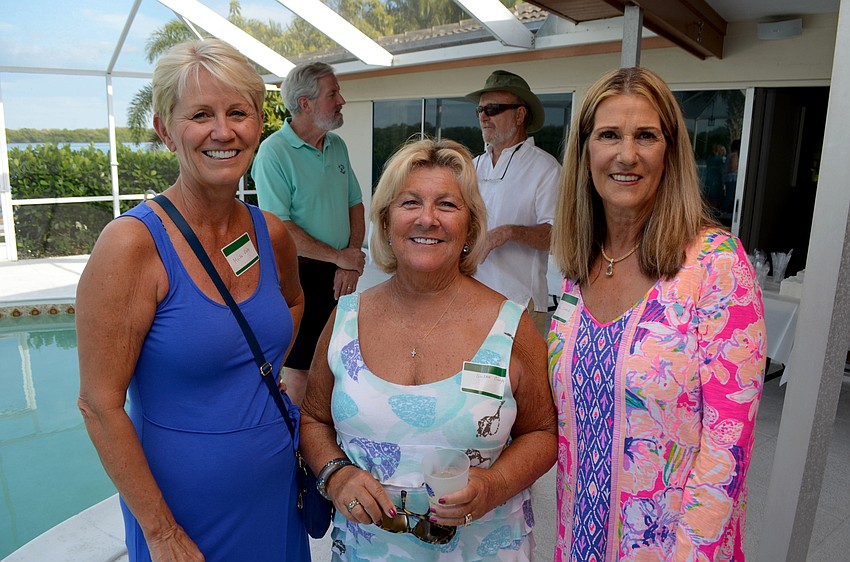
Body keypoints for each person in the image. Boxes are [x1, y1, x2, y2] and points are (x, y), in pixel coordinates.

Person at [76, 39, 309, 562]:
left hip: (274, 497)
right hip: (183, 516)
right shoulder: (132, 246)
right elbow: (98, 404)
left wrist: (252, 369)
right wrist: (160, 532)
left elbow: (292, 304)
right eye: (200, 114)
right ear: (164, 129)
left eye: (238, 113)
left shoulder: (269, 234)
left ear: (258, 124)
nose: (223, 131)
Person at [300, 138, 558, 560]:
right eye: (410, 203)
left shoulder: (510, 324)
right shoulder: (346, 317)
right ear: (385, 223)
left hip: (484, 548)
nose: (427, 219)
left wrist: (493, 485)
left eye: (447, 205)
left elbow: (542, 433)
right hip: (367, 550)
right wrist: (335, 473)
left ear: (471, 227)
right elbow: (312, 417)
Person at [549, 67, 766, 561]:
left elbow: (726, 449)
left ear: (669, 151)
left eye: (645, 135)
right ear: (585, 151)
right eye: (608, 135)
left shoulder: (716, 264)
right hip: (577, 541)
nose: (626, 155)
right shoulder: (577, 269)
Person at [253, 61, 366, 405]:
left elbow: (356, 205)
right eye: (333, 93)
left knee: (337, 360)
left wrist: (349, 260)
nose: (341, 100)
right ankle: (300, 449)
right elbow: (280, 228)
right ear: (305, 103)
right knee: (300, 368)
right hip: (298, 272)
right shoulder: (274, 152)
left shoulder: (336, 145)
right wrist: (340, 257)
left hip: (339, 270)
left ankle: (327, 436)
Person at [465, 70, 561, 336]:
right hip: (471, 299)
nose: (484, 117)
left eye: (493, 109)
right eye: (480, 110)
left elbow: (558, 236)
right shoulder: (472, 166)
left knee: (516, 379)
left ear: (520, 115)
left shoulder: (545, 168)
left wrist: (508, 233)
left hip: (520, 306)